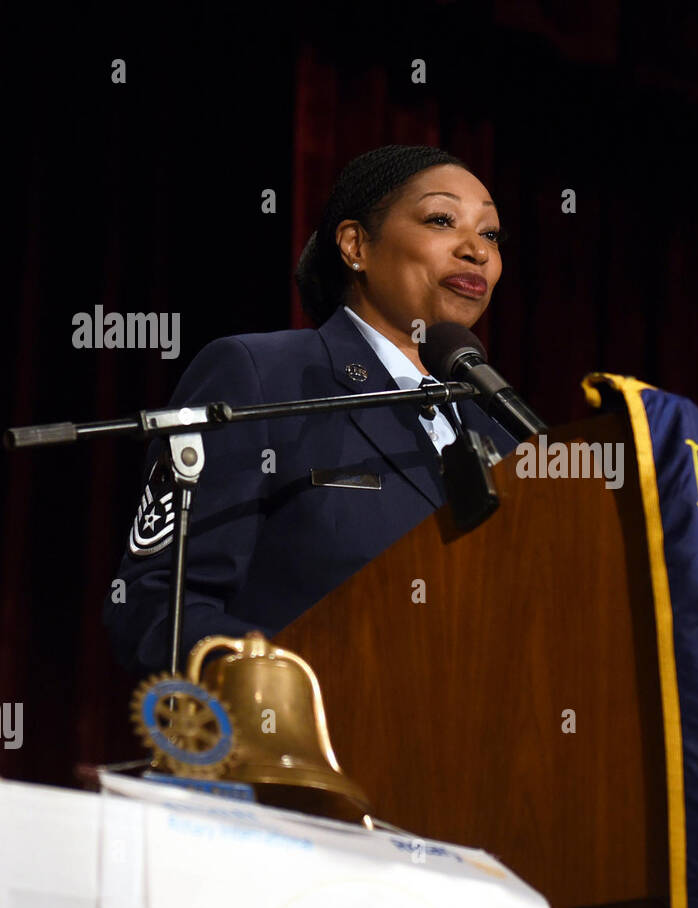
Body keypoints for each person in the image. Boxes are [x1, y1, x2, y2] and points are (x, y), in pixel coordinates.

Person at [104, 144, 518, 676]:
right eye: (442, 220)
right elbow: (158, 605)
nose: (477, 251)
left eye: (490, 234)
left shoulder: (503, 432)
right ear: (355, 245)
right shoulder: (262, 375)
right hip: (294, 747)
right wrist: (302, 686)